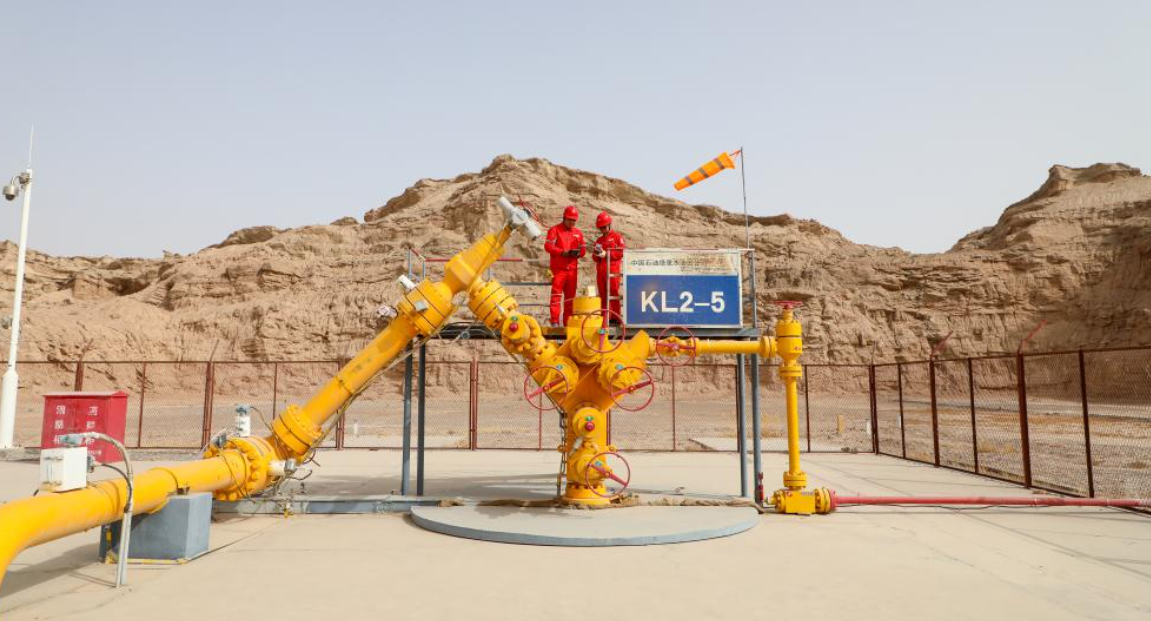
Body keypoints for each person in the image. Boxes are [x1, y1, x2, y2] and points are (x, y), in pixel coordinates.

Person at [544, 205, 585, 327]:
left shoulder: (578, 233)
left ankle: (568, 324)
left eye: (574, 220)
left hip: (572, 270)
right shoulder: (554, 230)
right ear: (564, 218)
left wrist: (578, 253)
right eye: (570, 220)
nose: (572, 222)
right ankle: (555, 322)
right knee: (556, 296)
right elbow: (548, 246)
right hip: (558, 270)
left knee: (570, 299)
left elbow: (583, 249)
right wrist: (562, 252)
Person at [592, 211, 625, 321]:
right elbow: (595, 258)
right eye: (600, 228)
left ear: (609, 225)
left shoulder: (617, 237)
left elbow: (621, 252)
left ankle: (615, 317)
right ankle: (605, 318)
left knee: (613, 293)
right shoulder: (599, 241)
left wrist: (607, 254)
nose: (602, 230)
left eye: (604, 227)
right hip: (601, 272)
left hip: (612, 271)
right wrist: (597, 254)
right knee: (603, 294)